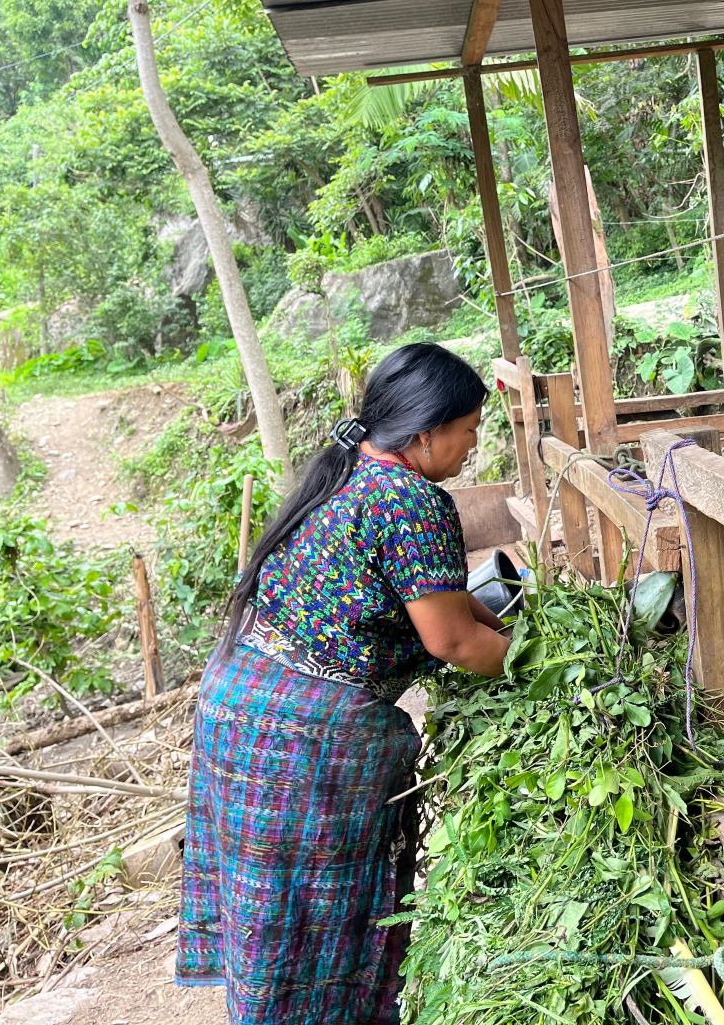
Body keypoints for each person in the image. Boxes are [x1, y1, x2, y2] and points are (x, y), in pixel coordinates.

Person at [176, 342, 511, 1024]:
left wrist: (506, 622)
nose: (474, 446)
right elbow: (450, 640)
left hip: (241, 709)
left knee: (271, 916)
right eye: (470, 429)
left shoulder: (351, 473)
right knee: (316, 916)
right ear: (426, 431)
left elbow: (448, 600)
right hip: (305, 745)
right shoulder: (411, 500)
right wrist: (542, 666)